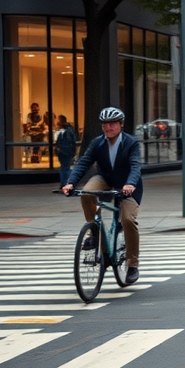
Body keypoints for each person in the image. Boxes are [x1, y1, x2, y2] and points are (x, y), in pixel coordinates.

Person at [62, 107, 143, 285]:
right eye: (105, 124)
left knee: (128, 220)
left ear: (121, 125)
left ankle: (132, 265)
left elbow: (135, 165)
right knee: (87, 192)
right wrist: (70, 183)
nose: (108, 127)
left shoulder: (131, 143)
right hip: (105, 178)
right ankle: (94, 231)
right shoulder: (98, 143)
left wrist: (130, 184)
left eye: (112, 124)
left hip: (128, 184)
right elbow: (84, 162)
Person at [53, 115, 78, 193]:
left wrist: (59, 149)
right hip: (66, 152)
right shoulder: (69, 131)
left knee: (65, 167)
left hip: (64, 152)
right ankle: (66, 184)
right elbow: (72, 142)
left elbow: (67, 142)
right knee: (66, 167)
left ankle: (65, 184)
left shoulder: (65, 132)